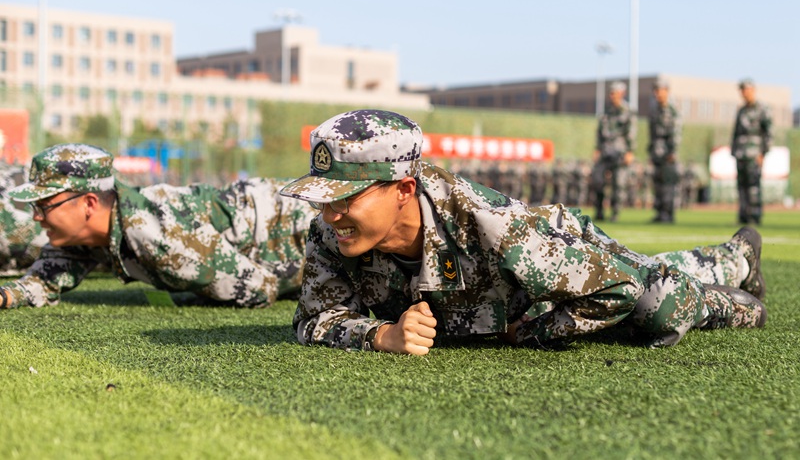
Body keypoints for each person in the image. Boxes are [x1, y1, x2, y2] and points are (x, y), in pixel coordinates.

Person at [279, 109, 766, 355]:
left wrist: (532, 332)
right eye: (324, 198)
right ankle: (736, 255)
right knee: (647, 274)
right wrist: (381, 335)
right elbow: (311, 319)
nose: (331, 214)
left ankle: (731, 288)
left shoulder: (495, 229)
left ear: (404, 188)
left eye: (348, 197)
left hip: (554, 260)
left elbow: (621, 287)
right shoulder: (333, 231)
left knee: (655, 299)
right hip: (526, 280)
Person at [0, 143, 316, 309]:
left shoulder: (156, 234)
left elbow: (258, 287)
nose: (37, 217)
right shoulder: (84, 235)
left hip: (292, 225)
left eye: (44, 206)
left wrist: (193, 293)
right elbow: (42, 281)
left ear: (89, 204)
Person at [592, 81, 636, 222]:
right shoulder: (606, 113)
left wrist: (630, 151)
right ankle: (599, 211)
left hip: (620, 153)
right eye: (610, 93)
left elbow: (632, 133)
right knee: (598, 179)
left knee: (618, 183)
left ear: (622, 94)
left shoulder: (628, 112)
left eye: (614, 93)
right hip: (605, 152)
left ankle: (615, 213)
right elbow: (599, 133)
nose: (612, 96)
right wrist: (597, 149)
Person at [732, 78, 772, 225]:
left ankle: (754, 217)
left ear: (753, 90)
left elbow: (768, 132)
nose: (744, 93)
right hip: (741, 154)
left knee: (753, 187)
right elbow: (736, 133)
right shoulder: (741, 110)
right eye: (742, 90)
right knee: (741, 187)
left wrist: (763, 152)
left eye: (747, 89)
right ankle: (743, 216)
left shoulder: (762, 109)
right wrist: (734, 151)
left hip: (754, 154)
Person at [647, 78, 681, 223]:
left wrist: (672, 152)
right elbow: (652, 133)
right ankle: (660, 213)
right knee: (658, 184)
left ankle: (668, 214)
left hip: (668, 154)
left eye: (660, 90)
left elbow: (677, 132)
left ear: (666, 91)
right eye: (655, 91)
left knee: (668, 184)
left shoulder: (672, 111)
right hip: (656, 153)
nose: (657, 94)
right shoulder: (655, 110)